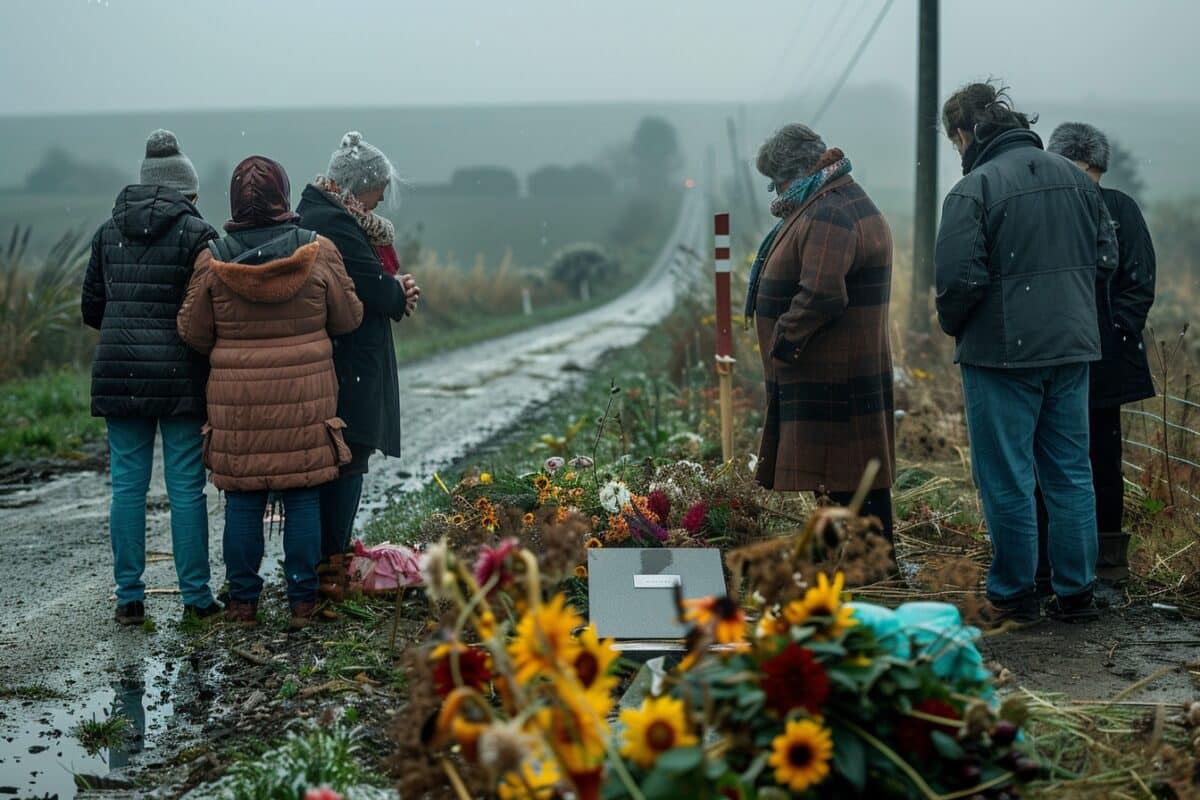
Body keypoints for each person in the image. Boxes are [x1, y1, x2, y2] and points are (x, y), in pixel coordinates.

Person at [934, 82, 1118, 622]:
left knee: (1007, 475)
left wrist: (958, 327)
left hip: (1001, 357)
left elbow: (957, 280)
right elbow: (1106, 258)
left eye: (954, 141)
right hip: (1072, 348)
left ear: (966, 133)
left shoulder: (975, 189)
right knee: (1070, 471)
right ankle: (1076, 591)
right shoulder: (1075, 179)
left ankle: (1014, 592)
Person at [177, 156, 363, 628]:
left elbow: (194, 332)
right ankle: (302, 601)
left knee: (243, 499)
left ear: (236, 201)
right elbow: (348, 317)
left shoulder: (213, 257)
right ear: (283, 195)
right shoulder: (318, 251)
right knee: (302, 496)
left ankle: (243, 603)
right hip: (306, 397)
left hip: (237, 404)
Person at [81, 129, 221, 626]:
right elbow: (209, 313)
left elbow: (92, 307)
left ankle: (129, 598)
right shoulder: (198, 235)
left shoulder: (107, 231)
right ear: (186, 190)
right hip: (180, 375)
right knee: (185, 489)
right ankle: (197, 598)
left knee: (126, 488)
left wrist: (127, 330)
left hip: (120, 372)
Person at [747, 123, 896, 542]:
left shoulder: (829, 210)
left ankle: (868, 571)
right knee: (843, 476)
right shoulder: (833, 198)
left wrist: (783, 340)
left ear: (797, 172)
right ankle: (853, 566)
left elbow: (822, 293)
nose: (777, 194)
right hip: (836, 369)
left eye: (777, 183)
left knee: (848, 476)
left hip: (833, 374)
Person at [295, 132, 419, 594]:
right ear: (360, 186)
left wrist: (392, 288)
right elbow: (372, 287)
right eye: (379, 187)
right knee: (348, 457)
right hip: (348, 363)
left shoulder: (327, 213)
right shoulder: (337, 224)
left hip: (342, 359)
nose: (384, 196)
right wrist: (396, 290)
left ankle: (326, 560)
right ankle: (331, 562)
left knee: (341, 458)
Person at [1037, 122, 1156, 592]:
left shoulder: (1120, 209)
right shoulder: (1045, 206)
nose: (1084, 181)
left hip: (1104, 360)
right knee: (1049, 459)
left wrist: (1117, 329)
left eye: (1088, 172)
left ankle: (1107, 562)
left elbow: (1139, 278)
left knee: (1102, 461)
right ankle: (1051, 559)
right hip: (1056, 353)